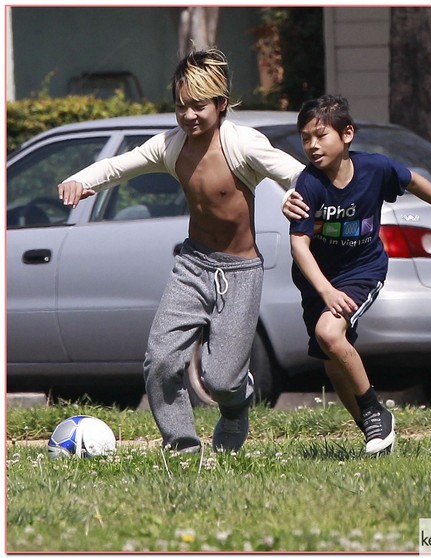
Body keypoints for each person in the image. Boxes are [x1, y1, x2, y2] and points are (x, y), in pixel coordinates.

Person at [57, 47, 305, 454]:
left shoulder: (243, 144)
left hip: (240, 273)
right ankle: (182, 446)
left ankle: (237, 401)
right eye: (181, 106)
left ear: (222, 105)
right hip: (191, 265)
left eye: (198, 106)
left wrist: (293, 195)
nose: (189, 115)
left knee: (221, 379)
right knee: (160, 361)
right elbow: (120, 165)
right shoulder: (171, 145)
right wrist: (80, 181)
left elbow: (293, 171)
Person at [286, 95, 431, 455]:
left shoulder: (375, 168)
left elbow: (414, 181)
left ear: (347, 134)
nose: (312, 146)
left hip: (363, 269)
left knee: (328, 332)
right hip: (319, 280)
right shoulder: (309, 184)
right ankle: (375, 434)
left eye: (320, 135)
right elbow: (299, 245)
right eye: (305, 138)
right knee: (333, 364)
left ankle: (374, 410)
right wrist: (326, 290)